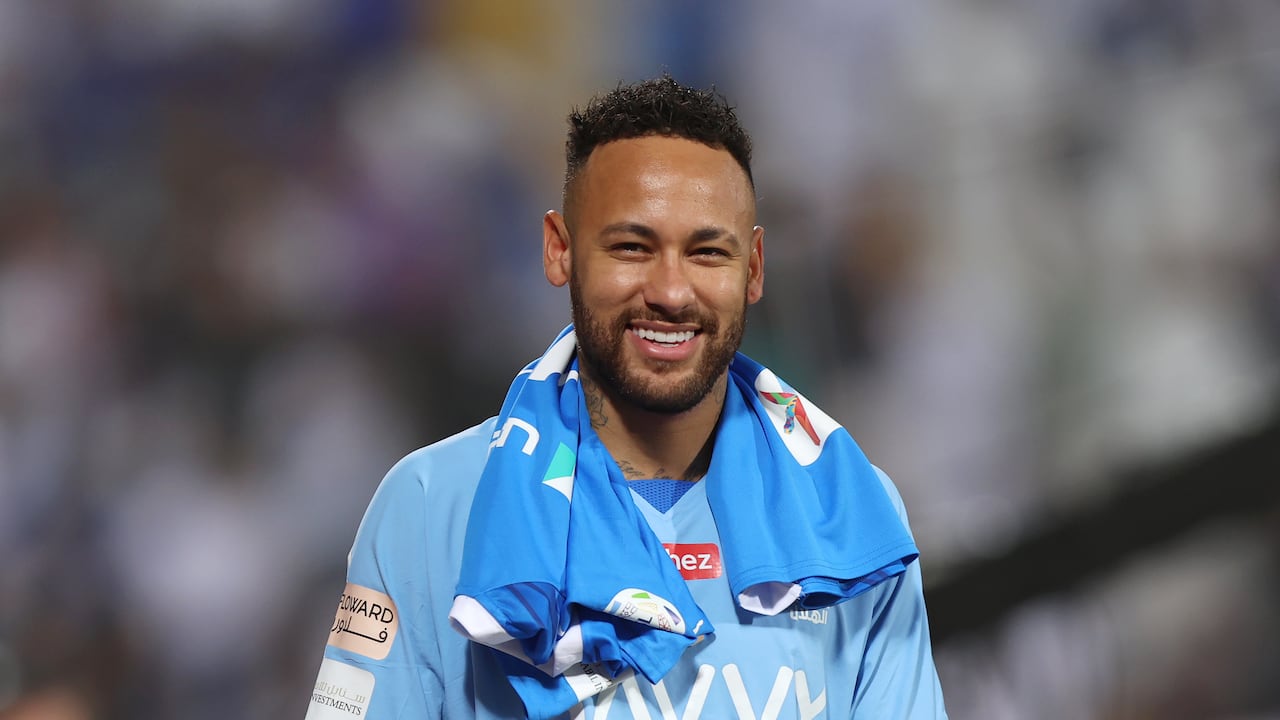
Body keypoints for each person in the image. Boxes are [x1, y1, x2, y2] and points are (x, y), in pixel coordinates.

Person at [305, 75, 948, 720]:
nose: (671, 291)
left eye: (707, 252)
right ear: (561, 251)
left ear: (753, 268)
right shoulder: (430, 506)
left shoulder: (852, 514)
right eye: (632, 247)